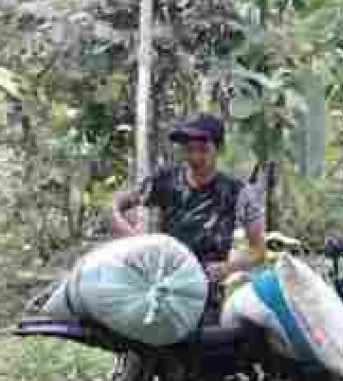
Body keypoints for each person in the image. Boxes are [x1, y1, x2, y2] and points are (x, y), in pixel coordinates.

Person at [110, 114, 267, 323]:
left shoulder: (237, 193)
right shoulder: (165, 180)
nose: (195, 157)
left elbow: (258, 251)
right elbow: (116, 206)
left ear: (218, 150)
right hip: (162, 284)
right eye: (189, 149)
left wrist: (229, 267)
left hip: (205, 293)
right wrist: (134, 238)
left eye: (203, 150)